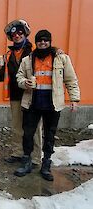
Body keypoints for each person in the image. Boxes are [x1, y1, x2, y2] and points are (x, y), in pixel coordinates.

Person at [14, 29, 80, 181]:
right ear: (36, 42)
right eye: (39, 40)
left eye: (45, 40)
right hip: (32, 104)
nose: (42, 43)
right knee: (28, 134)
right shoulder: (28, 59)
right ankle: (27, 162)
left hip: (52, 105)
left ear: (50, 41)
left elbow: (71, 79)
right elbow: (19, 77)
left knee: (49, 135)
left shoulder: (61, 58)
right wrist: (25, 83)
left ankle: (46, 165)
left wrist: (74, 99)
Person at [0, 19, 42, 166]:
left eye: (20, 32)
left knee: (34, 127)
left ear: (25, 33)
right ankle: (17, 152)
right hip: (15, 95)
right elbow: (2, 75)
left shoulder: (34, 51)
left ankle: (35, 157)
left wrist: (57, 50)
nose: (17, 35)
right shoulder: (8, 54)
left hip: (31, 94)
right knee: (17, 126)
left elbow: (50, 55)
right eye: (13, 34)